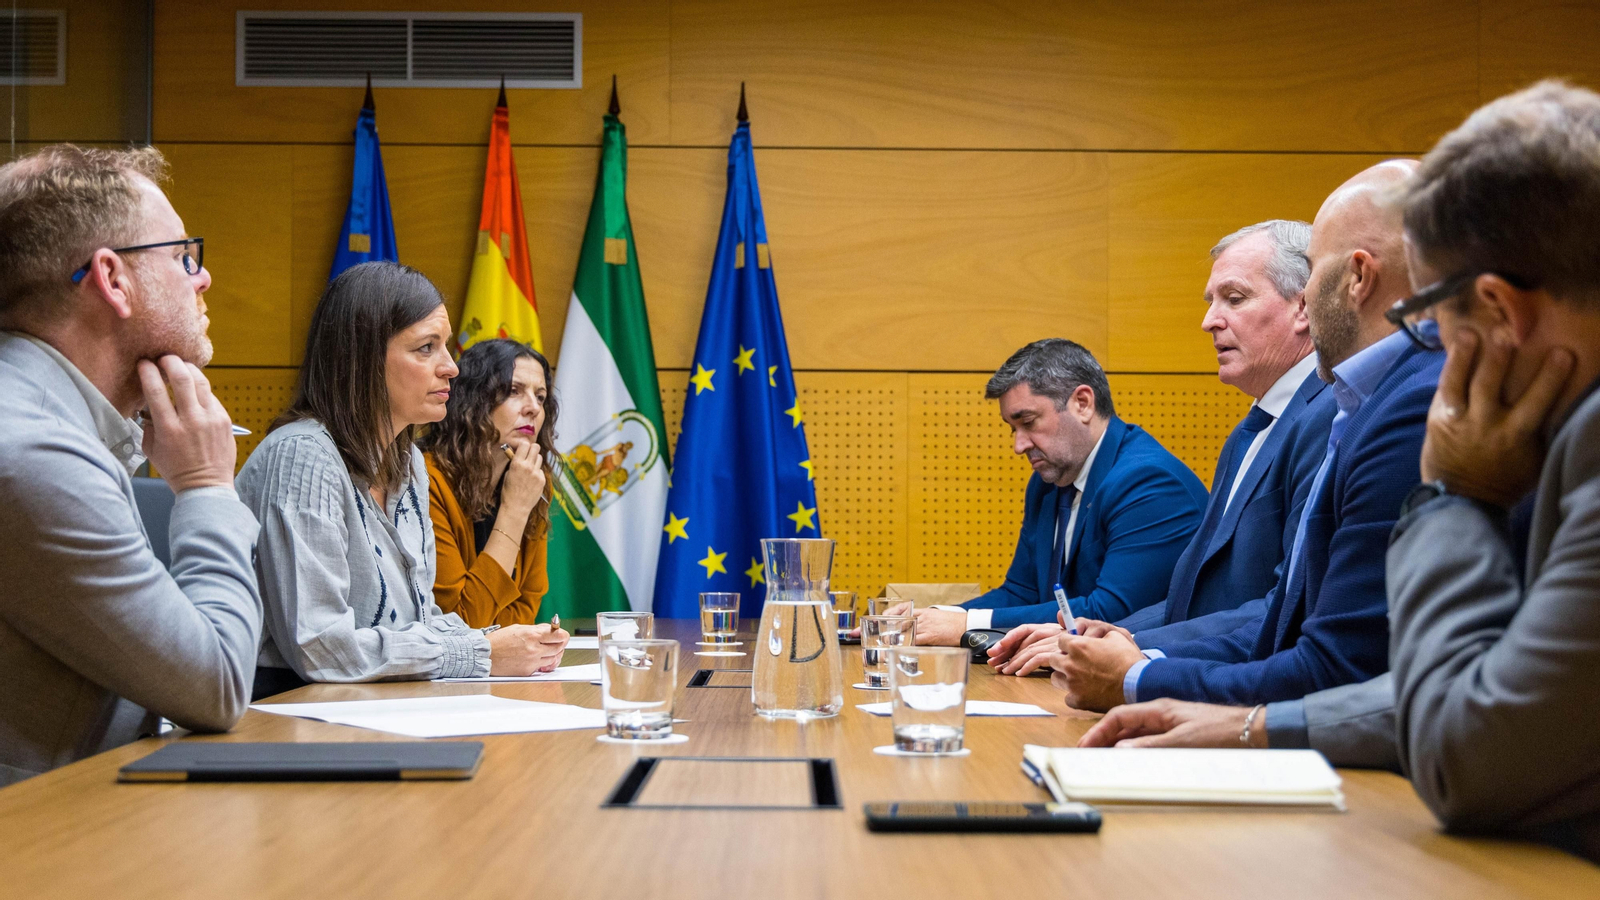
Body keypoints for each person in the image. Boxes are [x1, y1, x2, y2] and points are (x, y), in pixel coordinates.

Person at [1050, 160, 1441, 712]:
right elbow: (1261, 607)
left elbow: (1329, 652)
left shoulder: (1383, 407)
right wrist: (1128, 647)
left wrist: (1143, 672)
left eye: (1233, 298)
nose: (1209, 320)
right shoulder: (1256, 429)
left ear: (1351, 280)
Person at [0, 145, 261, 785]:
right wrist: (204, 486)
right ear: (113, 280)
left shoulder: (50, 421)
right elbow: (217, 684)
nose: (202, 279)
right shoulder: (33, 453)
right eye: (182, 257)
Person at [988, 221, 1335, 675]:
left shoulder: (1328, 415)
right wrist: (1104, 637)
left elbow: (1288, 605)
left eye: (1234, 298)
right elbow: (1192, 599)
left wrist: (1138, 650)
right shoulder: (1247, 433)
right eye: (1211, 302)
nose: (1209, 320)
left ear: (1303, 308)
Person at [237, 262, 566, 695]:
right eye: (426, 347)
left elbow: (420, 620)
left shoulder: (406, 461)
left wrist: (502, 643)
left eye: (445, 347)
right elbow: (318, 646)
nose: (451, 367)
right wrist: (481, 651)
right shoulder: (303, 455)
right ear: (364, 358)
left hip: (370, 704)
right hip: (283, 711)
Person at [905, 338, 1207, 646]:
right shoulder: (1047, 483)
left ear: (1083, 403)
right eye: (1013, 429)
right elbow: (1022, 592)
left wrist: (967, 623)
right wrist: (935, 616)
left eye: (1029, 422)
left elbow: (1108, 613)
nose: (1018, 446)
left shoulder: (1148, 482)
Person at [421, 339, 557, 628]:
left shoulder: (533, 481)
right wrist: (514, 511)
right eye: (513, 391)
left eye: (541, 397)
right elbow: (460, 623)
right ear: (474, 401)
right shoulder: (426, 480)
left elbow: (524, 613)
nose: (533, 408)